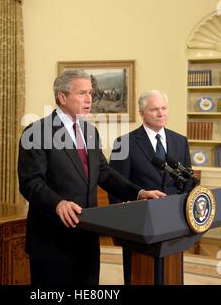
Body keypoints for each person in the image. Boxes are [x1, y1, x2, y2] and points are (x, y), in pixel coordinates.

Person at [18, 70, 166, 285]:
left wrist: (138, 192)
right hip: (52, 240)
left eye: (91, 92)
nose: (90, 99)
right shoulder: (37, 131)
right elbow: (30, 182)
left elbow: (103, 172)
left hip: (87, 237)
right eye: (82, 93)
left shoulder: (89, 131)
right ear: (62, 97)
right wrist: (57, 203)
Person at [109, 90, 192, 285]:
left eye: (164, 108)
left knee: (171, 275)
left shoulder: (180, 141)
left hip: (174, 219)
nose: (161, 113)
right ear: (142, 113)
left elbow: (187, 181)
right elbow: (116, 187)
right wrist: (122, 227)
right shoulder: (124, 143)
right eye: (155, 109)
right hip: (140, 222)